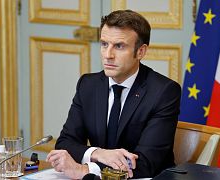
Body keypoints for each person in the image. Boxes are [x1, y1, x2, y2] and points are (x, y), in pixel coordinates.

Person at [46, 9, 181, 179]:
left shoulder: (164, 92)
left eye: (119, 46)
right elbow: (65, 144)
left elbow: (147, 163)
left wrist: (85, 170)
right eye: (104, 44)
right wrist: (98, 153)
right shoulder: (88, 85)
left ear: (141, 51)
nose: (108, 55)